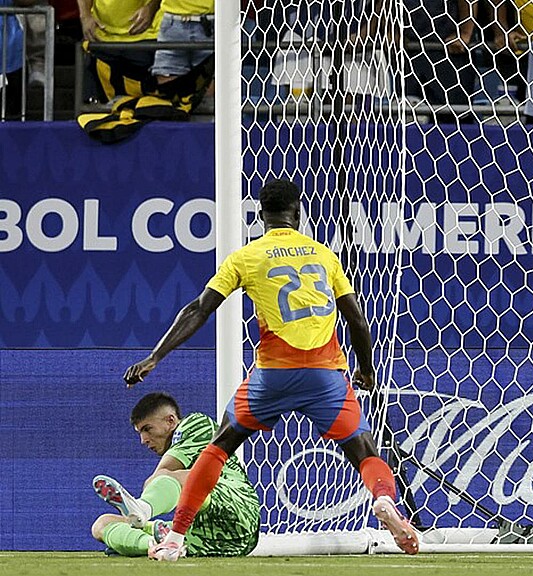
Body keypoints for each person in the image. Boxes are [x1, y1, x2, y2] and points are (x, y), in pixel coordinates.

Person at [123, 179, 419, 561]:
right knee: (363, 449)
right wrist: (366, 370)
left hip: (273, 375)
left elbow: (199, 309)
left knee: (219, 446)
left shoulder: (246, 257)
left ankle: (176, 537)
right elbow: (357, 321)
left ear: (261, 216)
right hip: (325, 374)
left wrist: (155, 357)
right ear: (297, 213)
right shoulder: (324, 255)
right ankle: (381, 499)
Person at [90, 392, 259, 557]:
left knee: (182, 477)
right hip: (211, 539)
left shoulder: (195, 424)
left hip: (238, 509)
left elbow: (157, 480)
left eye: (147, 429)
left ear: (170, 420)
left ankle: (143, 510)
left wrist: (144, 505)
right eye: (140, 433)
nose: (143, 440)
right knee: (101, 524)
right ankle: (153, 545)